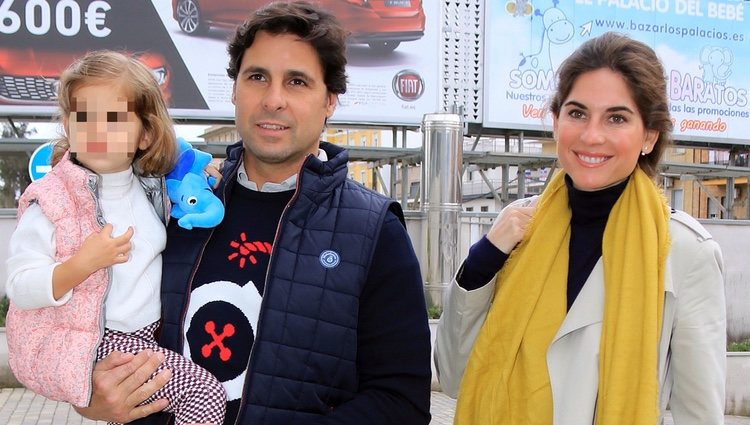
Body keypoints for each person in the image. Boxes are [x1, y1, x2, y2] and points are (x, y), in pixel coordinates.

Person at [75, 2, 432, 424]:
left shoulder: (373, 228)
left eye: (297, 81)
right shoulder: (170, 205)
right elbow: (87, 321)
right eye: (257, 77)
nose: (273, 100)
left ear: (330, 100)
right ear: (235, 89)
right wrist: (86, 394)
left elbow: (401, 401)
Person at [435, 32, 726, 425]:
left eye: (617, 118)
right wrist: (483, 261)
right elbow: (457, 378)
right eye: (577, 113)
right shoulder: (519, 228)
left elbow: (700, 412)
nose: (591, 135)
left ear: (649, 137)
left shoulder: (685, 251)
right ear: (556, 122)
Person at [5, 50, 226, 425]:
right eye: (84, 117)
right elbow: (19, 286)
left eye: (113, 119)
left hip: (148, 337)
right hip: (102, 341)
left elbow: (184, 169)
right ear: (69, 126)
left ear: (145, 134)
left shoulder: (151, 188)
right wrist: (81, 265)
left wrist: (204, 174)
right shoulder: (53, 199)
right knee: (203, 393)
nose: (96, 130)